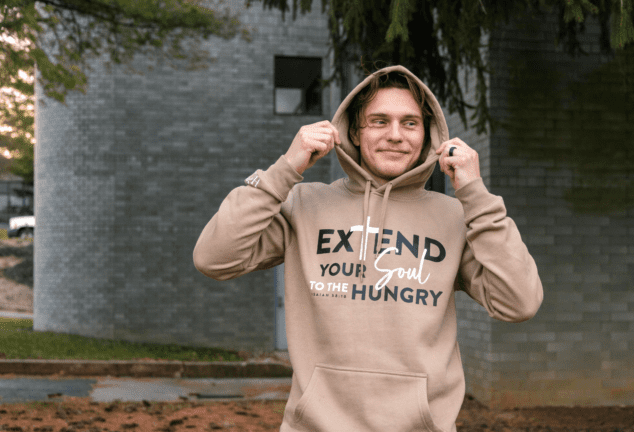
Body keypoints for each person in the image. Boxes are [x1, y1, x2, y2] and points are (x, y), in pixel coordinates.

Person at [194, 65, 543, 432]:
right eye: (379, 121)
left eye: (410, 123)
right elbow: (214, 258)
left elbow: (519, 302)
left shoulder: (454, 216)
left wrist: (475, 194)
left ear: (427, 136)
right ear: (355, 134)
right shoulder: (305, 203)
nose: (395, 135)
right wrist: (284, 170)